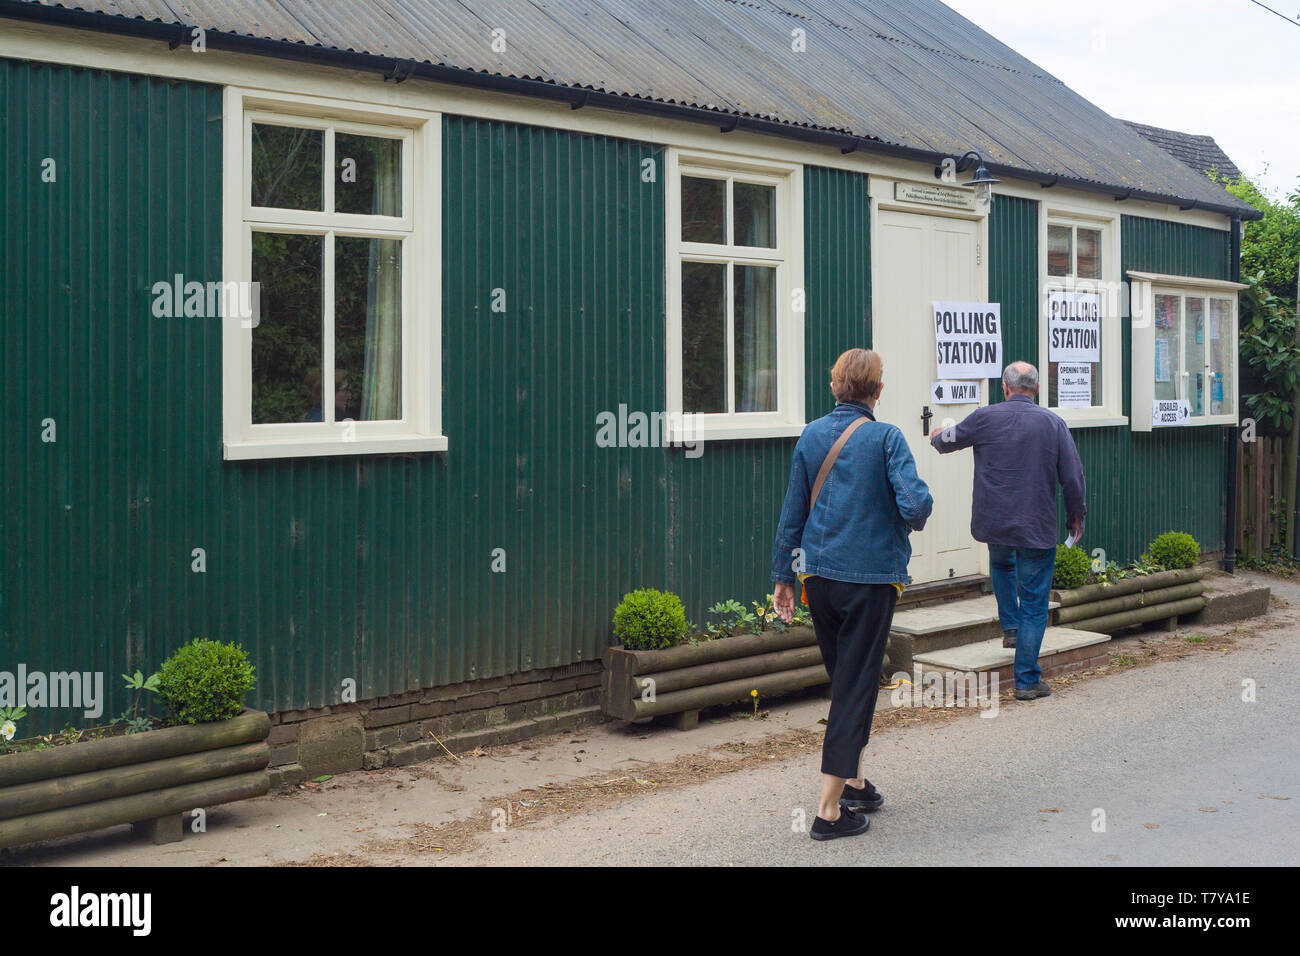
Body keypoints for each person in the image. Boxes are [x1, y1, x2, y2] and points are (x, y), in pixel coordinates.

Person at [771, 348, 933, 841]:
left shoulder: (811, 435)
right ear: (877, 392)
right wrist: (913, 512)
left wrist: (783, 576)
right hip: (869, 581)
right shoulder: (887, 438)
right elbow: (915, 503)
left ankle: (856, 783)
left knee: (847, 679)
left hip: (817, 580)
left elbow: (792, 512)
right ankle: (828, 811)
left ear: (834, 386)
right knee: (854, 689)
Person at [929, 361, 1086, 701]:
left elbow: (944, 442)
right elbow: (1072, 478)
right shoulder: (1053, 423)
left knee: (1001, 565)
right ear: (1037, 389)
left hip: (995, 522)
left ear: (1005, 387)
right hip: (1035, 525)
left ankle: (1011, 628)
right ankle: (1026, 679)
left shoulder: (984, 417)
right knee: (1034, 601)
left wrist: (936, 436)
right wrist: (1076, 515)